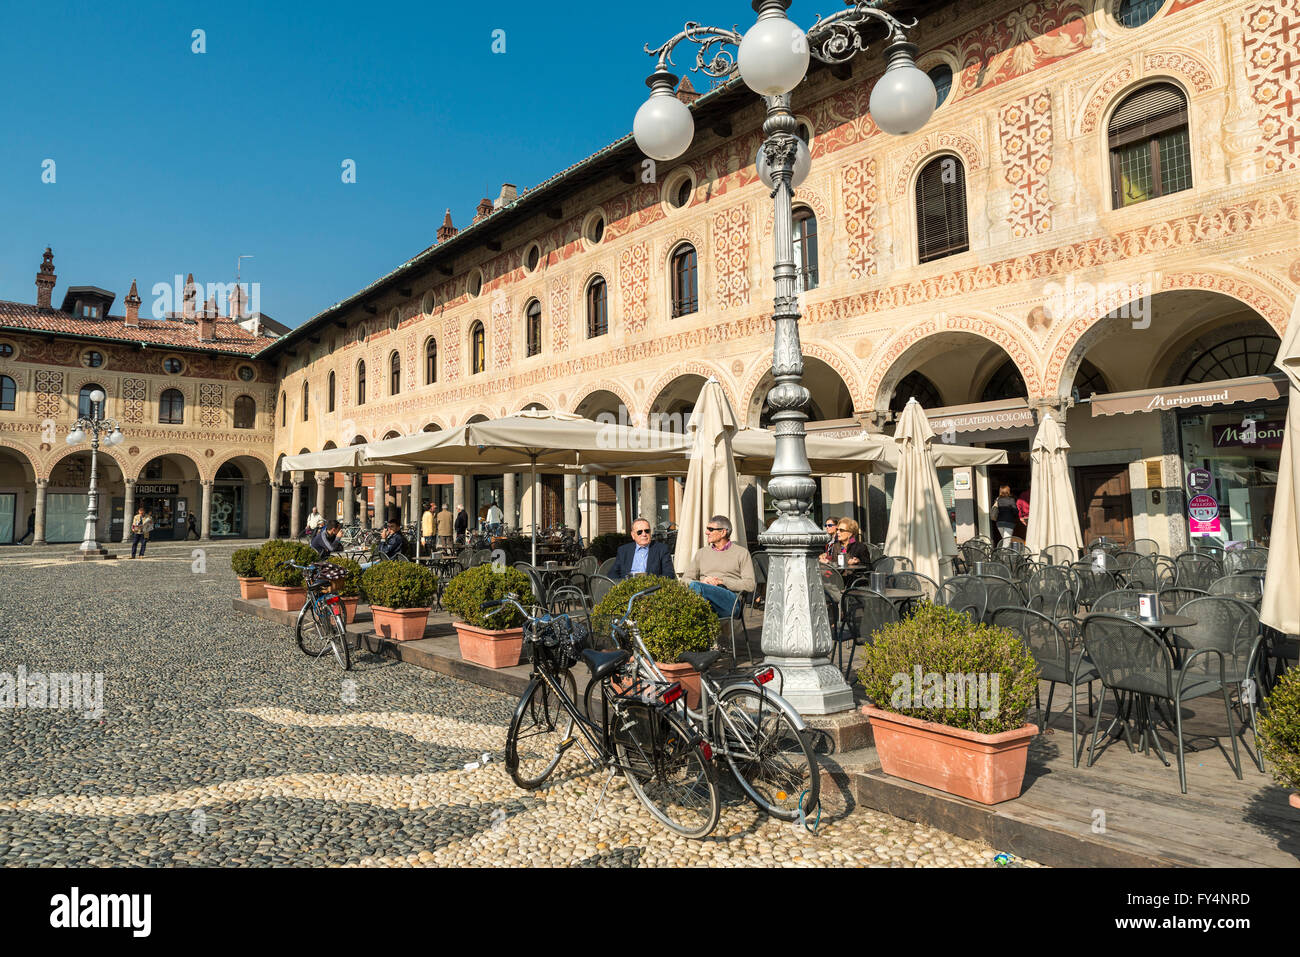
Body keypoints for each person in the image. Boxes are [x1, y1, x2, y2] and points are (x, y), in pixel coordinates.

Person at [683, 514, 755, 619]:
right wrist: (703, 583)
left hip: (730, 602)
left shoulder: (742, 553)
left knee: (694, 595)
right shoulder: (701, 553)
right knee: (696, 589)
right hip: (705, 598)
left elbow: (750, 585)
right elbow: (685, 579)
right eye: (707, 529)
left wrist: (721, 582)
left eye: (711, 529)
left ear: (723, 532)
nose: (706, 532)